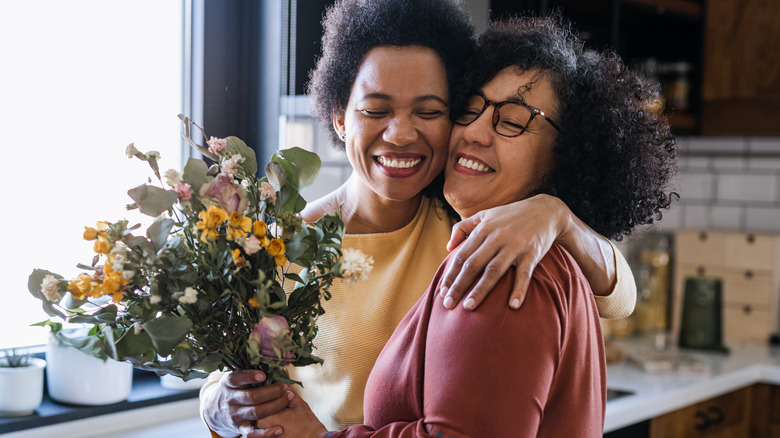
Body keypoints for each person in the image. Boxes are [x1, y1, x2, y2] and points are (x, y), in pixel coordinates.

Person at [201, 2, 639, 436]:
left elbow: (619, 298)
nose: (401, 134)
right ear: (339, 118)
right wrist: (217, 405)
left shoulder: (477, 222)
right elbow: (234, 372)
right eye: (376, 110)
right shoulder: (281, 246)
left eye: (429, 112)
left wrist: (556, 215)